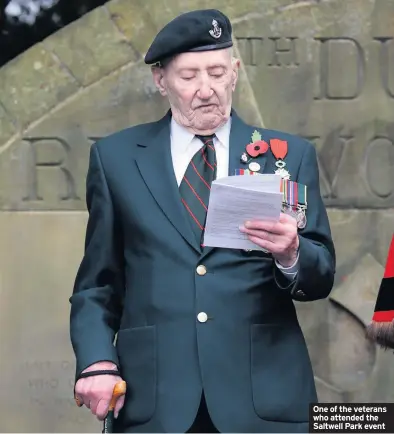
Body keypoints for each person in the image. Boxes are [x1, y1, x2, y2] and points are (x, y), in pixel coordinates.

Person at [69, 8, 336, 434]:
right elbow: (98, 284)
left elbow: (319, 278)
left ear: (234, 72)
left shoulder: (286, 155)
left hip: (265, 403)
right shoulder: (116, 159)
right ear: (161, 80)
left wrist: (292, 253)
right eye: (189, 76)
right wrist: (97, 362)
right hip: (156, 402)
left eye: (216, 72)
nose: (206, 89)